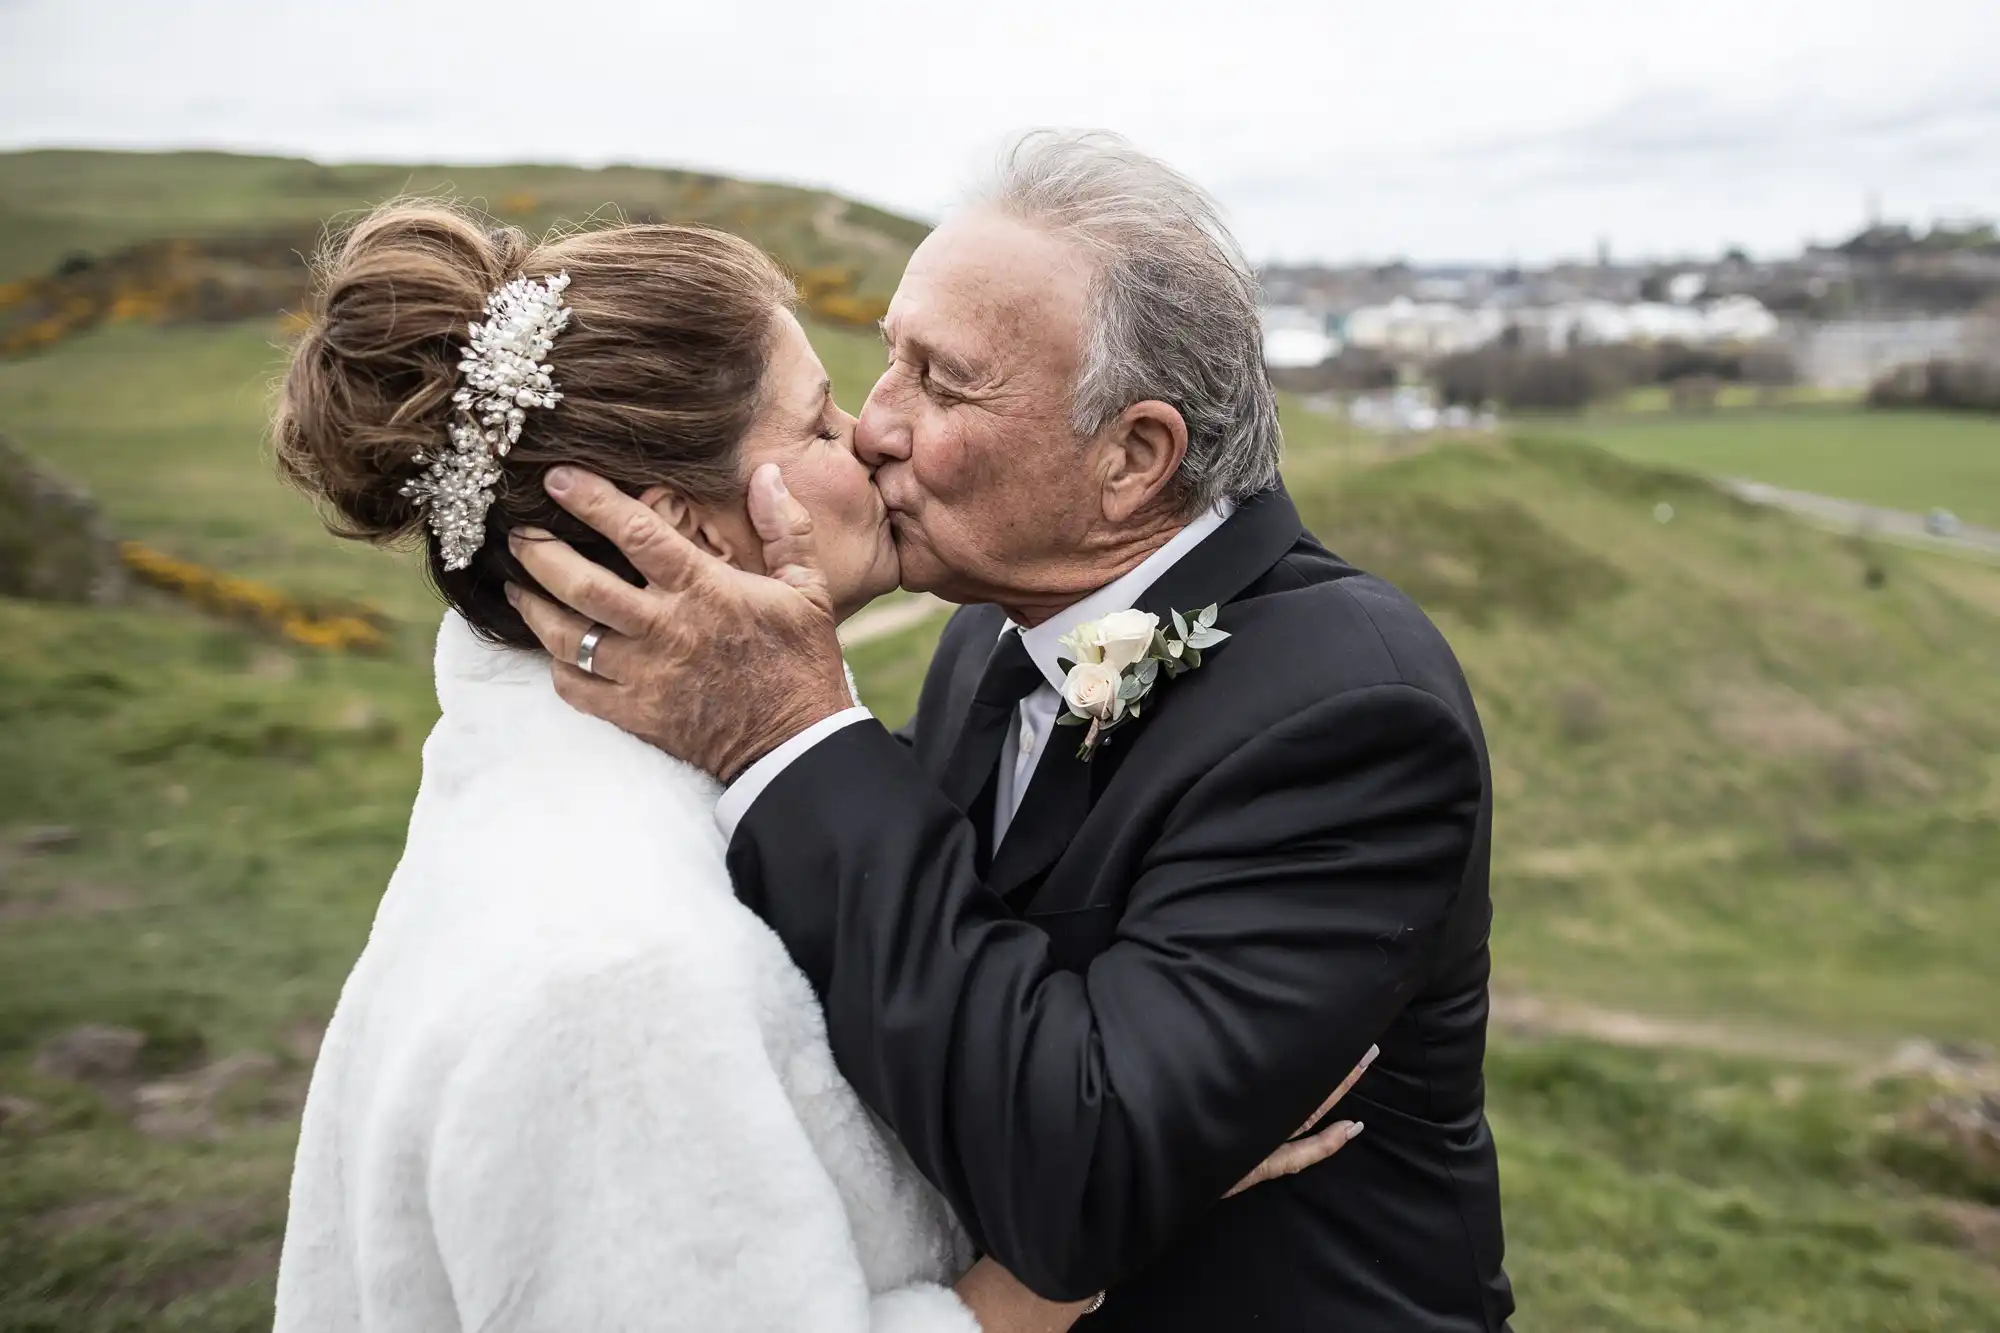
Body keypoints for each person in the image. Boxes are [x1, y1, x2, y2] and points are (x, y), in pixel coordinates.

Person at [267, 199, 1362, 1333]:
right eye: (817, 422)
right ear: (680, 534)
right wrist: (1058, 1265)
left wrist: (1151, 1099)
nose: (872, 434)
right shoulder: (617, 975)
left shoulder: (578, 796)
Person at [509, 131, 1513, 1331]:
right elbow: (928, 998)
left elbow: (1084, 1177)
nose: (874, 425)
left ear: (1133, 458)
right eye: (889, 361)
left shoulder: (1348, 712)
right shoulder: (983, 633)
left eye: (941, 382)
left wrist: (797, 732)